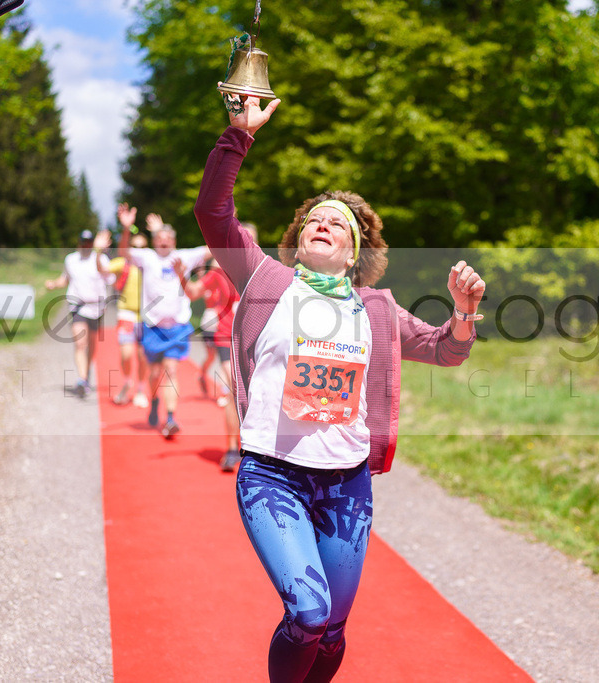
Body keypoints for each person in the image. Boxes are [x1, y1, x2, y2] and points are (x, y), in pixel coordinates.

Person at [194, 93, 485, 682]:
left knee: (331, 632)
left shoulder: (374, 308)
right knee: (308, 611)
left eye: (337, 224)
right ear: (298, 240)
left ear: (354, 253)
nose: (322, 225)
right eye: (313, 221)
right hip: (272, 473)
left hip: (346, 484)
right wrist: (238, 135)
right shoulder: (266, 280)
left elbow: (444, 350)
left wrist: (464, 312)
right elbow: (213, 213)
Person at [117, 206, 211, 438]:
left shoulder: (186, 257)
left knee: (171, 370)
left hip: (177, 327)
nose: (164, 242)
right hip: (151, 327)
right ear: (154, 241)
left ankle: (170, 419)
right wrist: (127, 228)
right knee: (154, 373)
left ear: (174, 241)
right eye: (160, 238)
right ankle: (154, 400)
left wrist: (225, 218)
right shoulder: (146, 257)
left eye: (168, 239)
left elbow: (213, 249)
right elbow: (123, 252)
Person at [174, 236, 251, 472]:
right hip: (226, 338)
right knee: (233, 389)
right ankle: (231, 449)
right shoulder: (219, 271)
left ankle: (253, 449)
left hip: (254, 344)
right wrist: (181, 273)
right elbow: (194, 292)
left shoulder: (263, 271)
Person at [45, 229, 114, 398]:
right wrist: (54, 284)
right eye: (83, 242)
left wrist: (99, 252)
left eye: (89, 243)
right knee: (80, 344)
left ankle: (86, 373)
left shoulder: (101, 259)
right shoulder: (71, 260)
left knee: (92, 346)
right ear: (79, 243)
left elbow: (109, 278)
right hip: (78, 306)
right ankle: (82, 379)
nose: (86, 246)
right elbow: (65, 279)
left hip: (96, 307)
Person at [106, 222, 151, 407]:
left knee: (142, 357)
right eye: (135, 247)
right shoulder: (123, 263)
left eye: (142, 247)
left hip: (146, 317)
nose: (138, 250)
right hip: (126, 314)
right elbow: (103, 269)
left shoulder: (150, 264)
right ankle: (127, 382)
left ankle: (140, 389)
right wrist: (125, 229)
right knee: (126, 355)